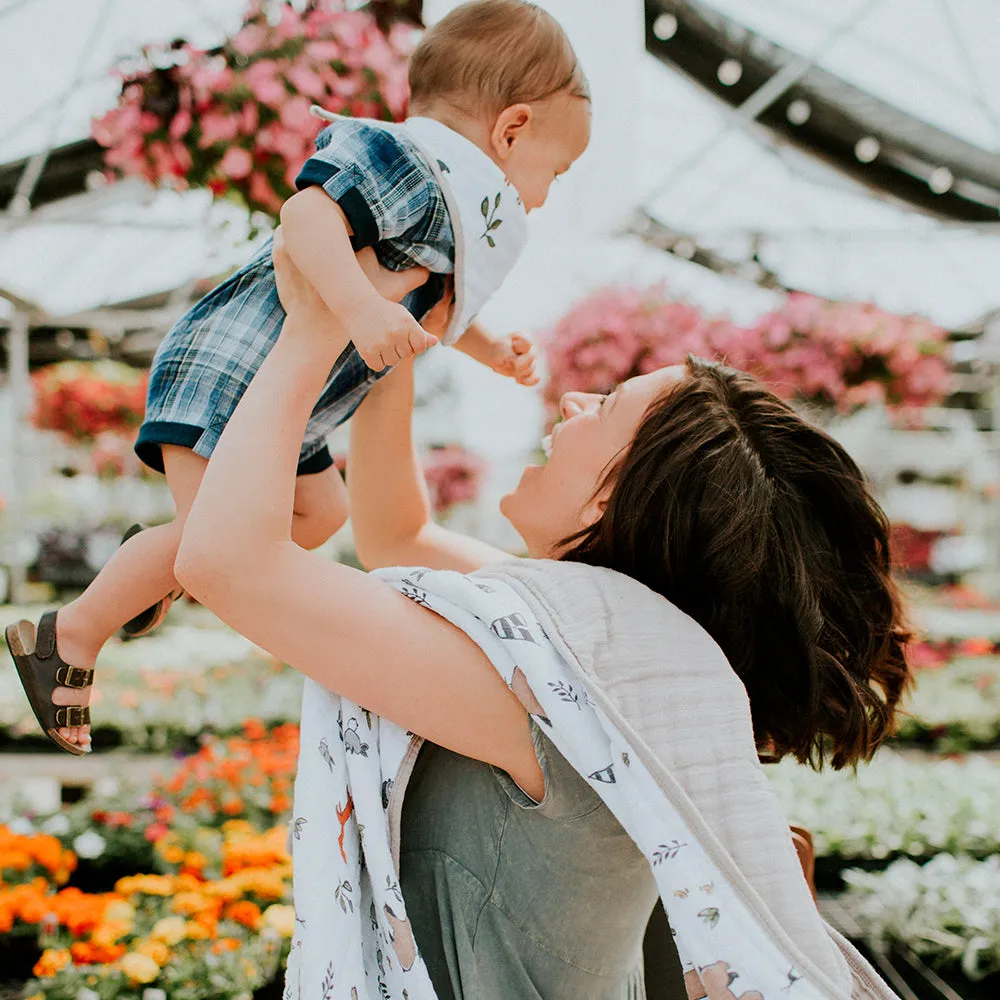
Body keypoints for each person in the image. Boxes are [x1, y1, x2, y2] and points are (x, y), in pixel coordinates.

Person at [167, 240, 908, 1000]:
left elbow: (228, 563)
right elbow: (397, 535)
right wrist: (387, 341)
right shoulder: (603, 652)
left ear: (616, 498)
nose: (571, 402)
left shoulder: (568, 682)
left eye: (607, 406)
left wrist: (316, 322)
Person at [6, 0, 592, 754]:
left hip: (295, 405)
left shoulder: (454, 212)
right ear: (510, 131)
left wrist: (489, 351)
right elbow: (306, 218)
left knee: (319, 517)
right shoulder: (406, 161)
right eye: (555, 169)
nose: (545, 194)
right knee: (209, 536)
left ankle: (148, 570)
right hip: (230, 369)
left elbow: (425, 304)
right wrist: (352, 306)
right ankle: (70, 634)